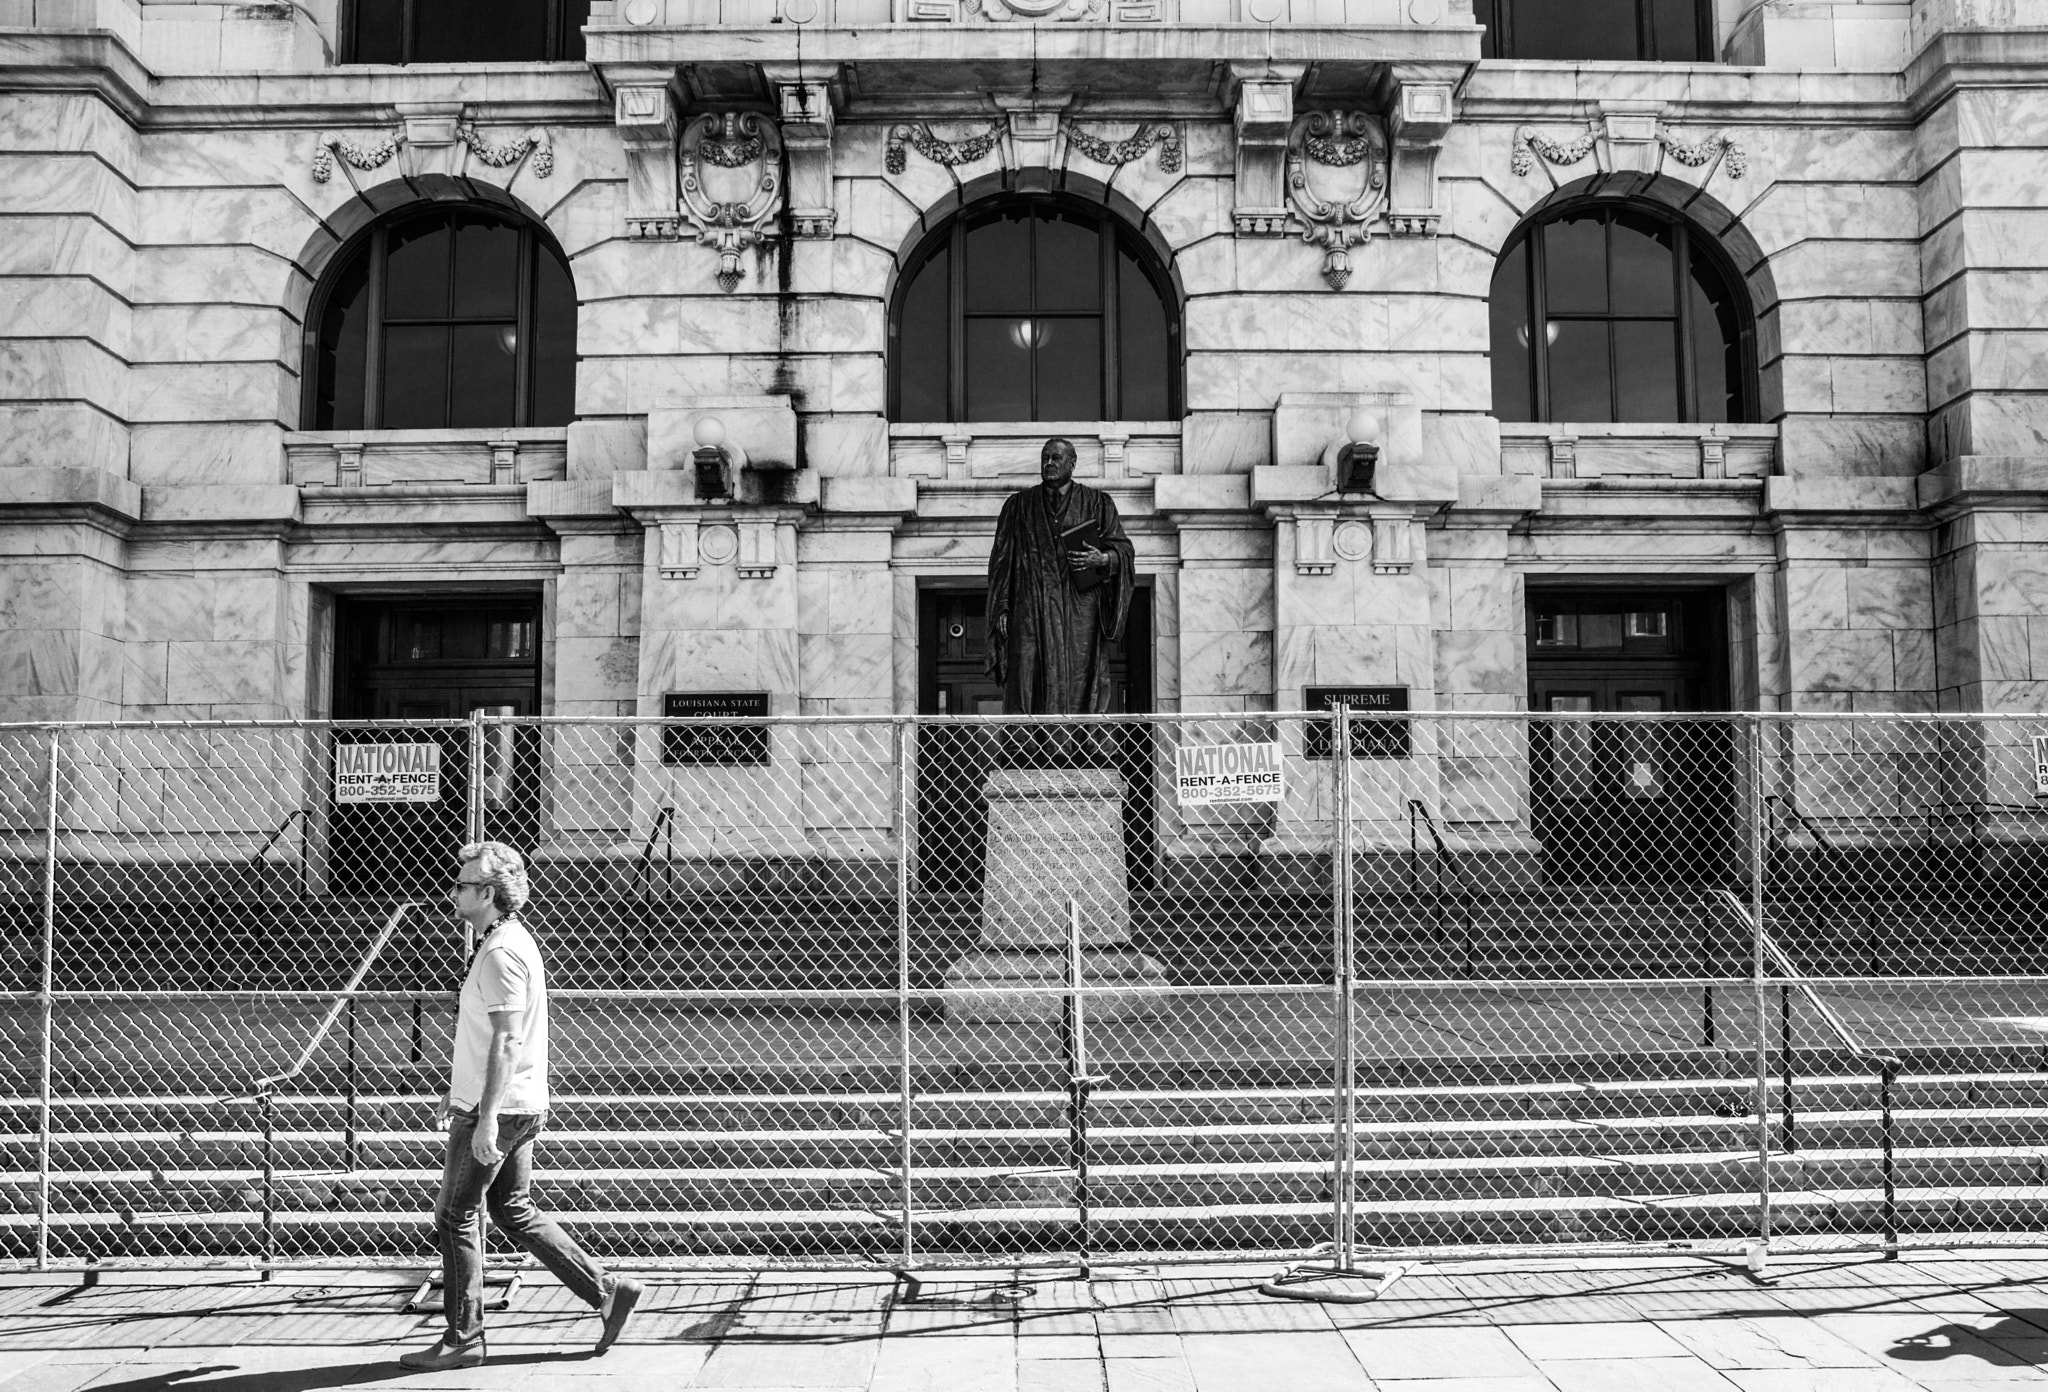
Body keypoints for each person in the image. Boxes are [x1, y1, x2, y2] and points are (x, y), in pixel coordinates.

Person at [400, 840, 643, 1371]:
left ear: (487, 892)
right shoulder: (505, 940)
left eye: (463, 884)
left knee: (455, 1215)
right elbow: (491, 1035)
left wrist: (484, 1117)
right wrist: (460, 1087)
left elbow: (507, 1041)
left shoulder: (502, 953)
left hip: (500, 1109)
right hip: (513, 1101)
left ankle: (463, 1339)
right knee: (512, 1209)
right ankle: (606, 1290)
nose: (454, 890)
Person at [984, 437, 1136, 743]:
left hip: (1078, 609)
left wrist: (1103, 558)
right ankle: (1022, 749)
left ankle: (1080, 747)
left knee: (1080, 674)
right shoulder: (1018, 506)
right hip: (1030, 606)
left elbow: (1124, 551)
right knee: (1026, 672)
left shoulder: (1097, 503)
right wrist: (1002, 605)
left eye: (1056, 458)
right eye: (1045, 458)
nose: (1049, 463)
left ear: (1072, 464)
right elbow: (1001, 560)